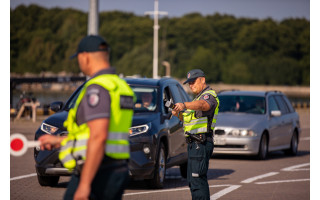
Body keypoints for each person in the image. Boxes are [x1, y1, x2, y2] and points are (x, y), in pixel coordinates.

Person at [38, 35, 134, 200]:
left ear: (85, 57)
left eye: (78, 59)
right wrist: (59, 141)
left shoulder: (97, 88)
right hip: (117, 168)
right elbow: (103, 133)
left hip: (97, 171)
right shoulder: (120, 86)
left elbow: (99, 136)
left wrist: (84, 185)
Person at [172, 69, 219, 200]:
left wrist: (184, 105)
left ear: (202, 80)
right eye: (189, 83)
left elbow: (204, 105)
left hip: (201, 143)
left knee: (197, 180)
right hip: (194, 144)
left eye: (193, 82)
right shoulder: (197, 99)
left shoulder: (208, 96)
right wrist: (178, 114)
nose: (191, 85)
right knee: (193, 180)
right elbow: (189, 120)